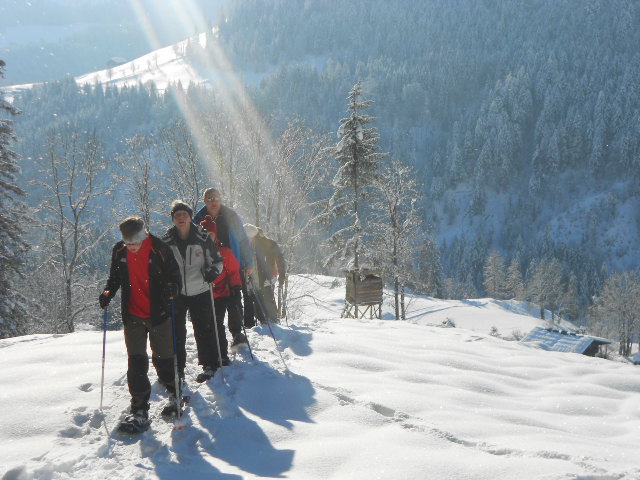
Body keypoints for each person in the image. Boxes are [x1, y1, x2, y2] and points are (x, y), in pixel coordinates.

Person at [99, 216, 181, 433]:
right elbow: (114, 279)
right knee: (136, 363)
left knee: (163, 360)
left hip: (158, 313)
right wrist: (108, 293)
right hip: (133, 314)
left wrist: (173, 287)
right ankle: (139, 408)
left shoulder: (160, 249)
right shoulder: (120, 251)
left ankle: (175, 394)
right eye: (128, 243)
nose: (132, 247)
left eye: (135, 242)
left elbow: (175, 276)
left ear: (144, 234)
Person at [162, 200, 224, 383]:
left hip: (201, 289)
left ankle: (209, 365)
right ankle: (178, 368)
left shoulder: (203, 237)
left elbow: (218, 261)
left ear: (190, 217)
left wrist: (213, 272)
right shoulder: (166, 240)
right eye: (177, 215)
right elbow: (161, 268)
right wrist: (166, 284)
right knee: (177, 332)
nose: (181, 218)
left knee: (204, 329)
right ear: (173, 219)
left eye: (184, 214)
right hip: (177, 292)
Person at [193, 187, 254, 343]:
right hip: (209, 266)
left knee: (235, 299)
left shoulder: (231, 216)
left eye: (216, 198)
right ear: (204, 201)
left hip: (233, 262)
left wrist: (249, 262)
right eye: (210, 199)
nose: (214, 202)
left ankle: (236, 332)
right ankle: (216, 334)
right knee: (213, 303)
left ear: (221, 199)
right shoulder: (197, 220)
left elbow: (243, 241)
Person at [199, 214, 245, 352]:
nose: (208, 237)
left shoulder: (225, 251)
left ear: (215, 235)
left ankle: (237, 334)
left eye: (211, 234)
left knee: (235, 311)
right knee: (216, 322)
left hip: (228, 289)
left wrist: (236, 287)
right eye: (205, 234)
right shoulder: (197, 254)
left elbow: (234, 270)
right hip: (212, 294)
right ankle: (220, 348)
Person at [244, 224, 286, 324]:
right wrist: (281, 276)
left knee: (258, 299)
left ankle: (266, 321)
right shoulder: (269, 243)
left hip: (262, 277)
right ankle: (271, 321)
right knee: (267, 299)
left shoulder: (262, 244)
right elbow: (280, 260)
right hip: (268, 277)